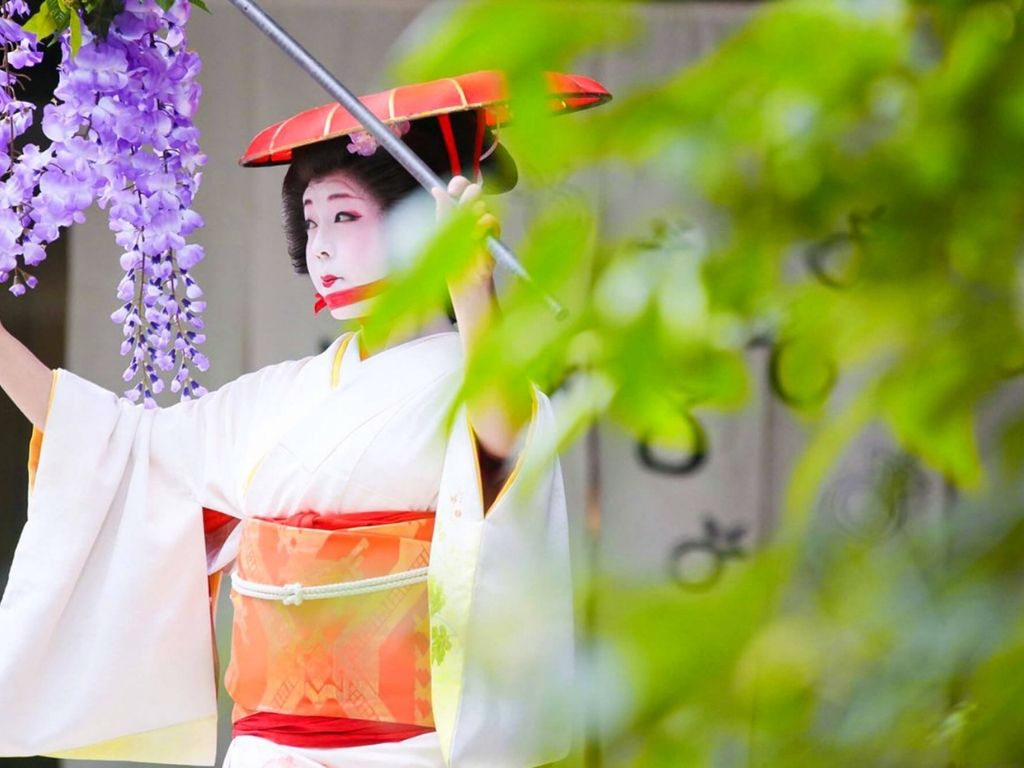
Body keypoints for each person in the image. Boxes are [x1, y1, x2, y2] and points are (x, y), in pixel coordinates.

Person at [0, 85, 575, 767]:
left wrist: (474, 292)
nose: (322, 247)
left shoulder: (481, 383)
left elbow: (501, 440)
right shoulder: (280, 397)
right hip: (268, 748)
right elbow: (120, 447)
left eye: (345, 216)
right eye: (311, 221)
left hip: (411, 750)